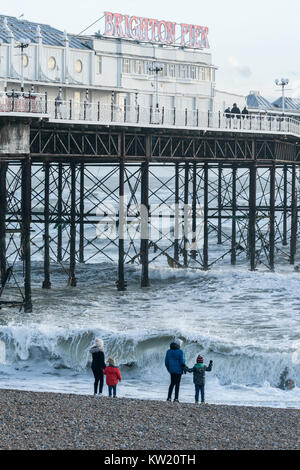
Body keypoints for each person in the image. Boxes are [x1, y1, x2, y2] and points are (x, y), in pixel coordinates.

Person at [165, 338, 186, 403]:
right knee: (177, 384)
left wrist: (169, 369)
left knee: (172, 383)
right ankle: (176, 398)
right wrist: (184, 368)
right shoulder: (180, 351)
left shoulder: (168, 351)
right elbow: (182, 361)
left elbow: (166, 362)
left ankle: (168, 398)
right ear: (179, 344)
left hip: (171, 370)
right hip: (179, 370)